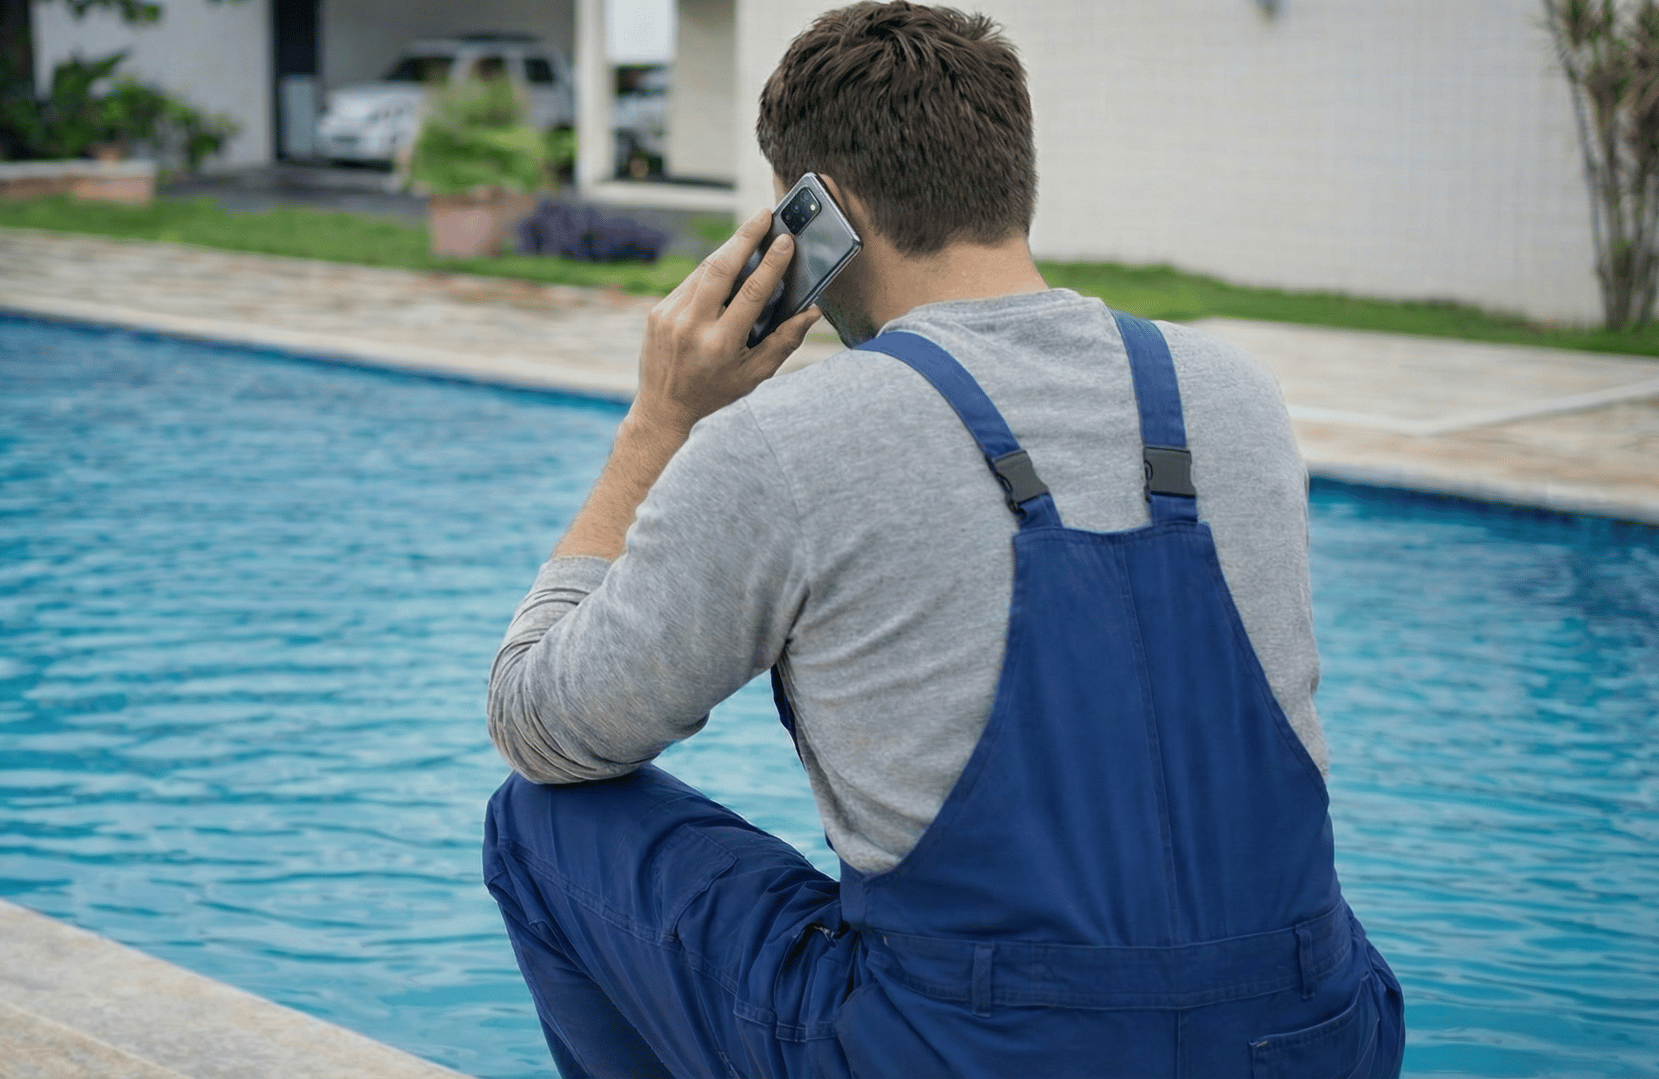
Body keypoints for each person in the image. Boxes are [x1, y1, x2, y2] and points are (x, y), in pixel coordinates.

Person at [482, 3, 1405, 1076]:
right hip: (1308, 1039)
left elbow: (541, 721)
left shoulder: (786, 443)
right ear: (1012, 176)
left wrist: (659, 419)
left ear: (817, 212)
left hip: (969, 1050)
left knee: (536, 823)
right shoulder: (1237, 398)